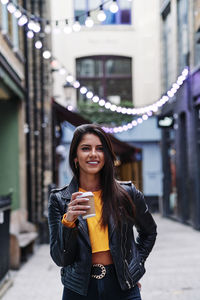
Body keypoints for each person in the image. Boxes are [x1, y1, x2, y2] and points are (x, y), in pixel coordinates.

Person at [48, 124, 157, 300]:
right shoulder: (59, 200)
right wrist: (68, 222)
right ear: (75, 157)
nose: (93, 154)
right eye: (85, 148)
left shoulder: (127, 193)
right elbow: (60, 259)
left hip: (122, 288)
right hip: (78, 289)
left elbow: (149, 232)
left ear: (106, 156)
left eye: (100, 149)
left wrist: (133, 267)